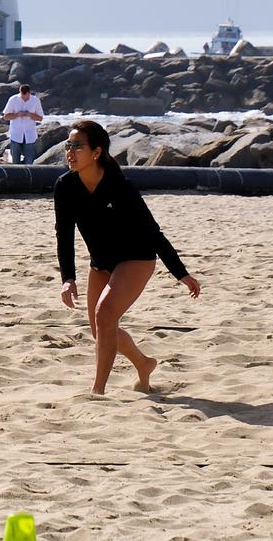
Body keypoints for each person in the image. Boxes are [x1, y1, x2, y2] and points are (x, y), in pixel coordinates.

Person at [55, 120, 201, 394]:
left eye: (77, 146)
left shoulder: (119, 186)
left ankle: (97, 391)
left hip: (136, 256)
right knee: (101, 330)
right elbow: (63, 234)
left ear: (96, 152)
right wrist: (68, 278)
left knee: (105, 313)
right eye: (68, 145)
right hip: (101, 262)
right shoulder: (65, 186)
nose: (70, 152)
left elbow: (153, 231)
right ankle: (143, 363)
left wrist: (181, 273)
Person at [3, 83, 44, 164]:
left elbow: (40, 118)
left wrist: (30, 115)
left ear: (29, 93)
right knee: (15, 162)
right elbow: (6, 116)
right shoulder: (13, 99)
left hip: (30, 135)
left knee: (29, 162)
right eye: (22, 94)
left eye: (26, 95)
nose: (24, 97)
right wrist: (17, 115)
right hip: (16, 135)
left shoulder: (35, 100)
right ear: (20, 92)